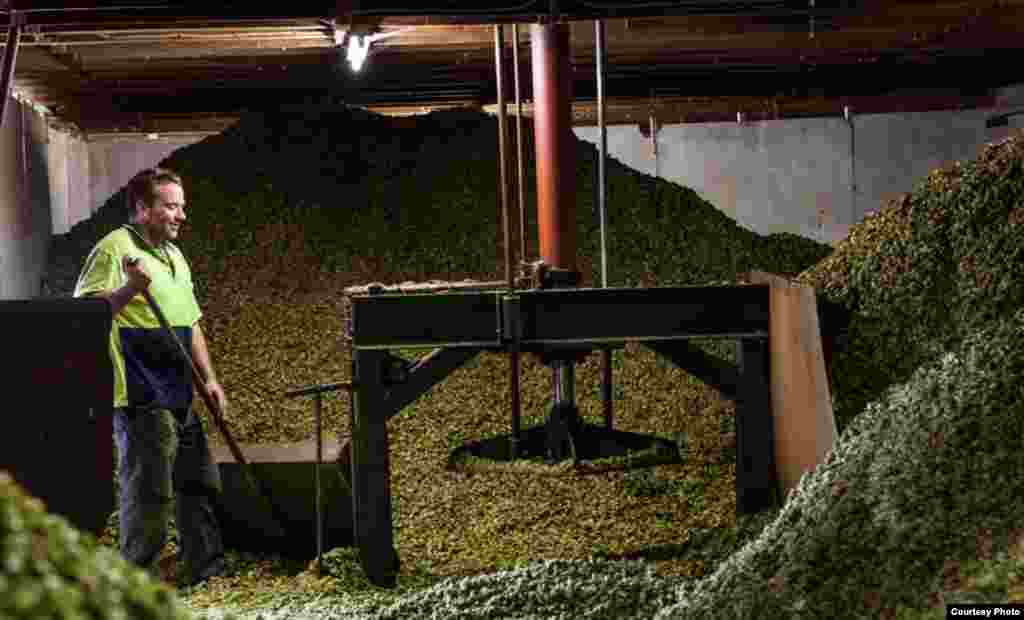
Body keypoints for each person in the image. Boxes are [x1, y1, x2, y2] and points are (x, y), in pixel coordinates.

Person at [73, 167, 226, 587]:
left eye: (182, 207)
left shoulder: (175, 257)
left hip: (180, 387)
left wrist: (209, 379)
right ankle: (133, 587)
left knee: (198, 485)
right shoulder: (114, 251)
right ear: (143, 208)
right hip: (140, 390)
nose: (181, 215)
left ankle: (206, 575)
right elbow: (84, 317)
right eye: (171, 206)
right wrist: (129, 287)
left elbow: (190, 321)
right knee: (149, 495)